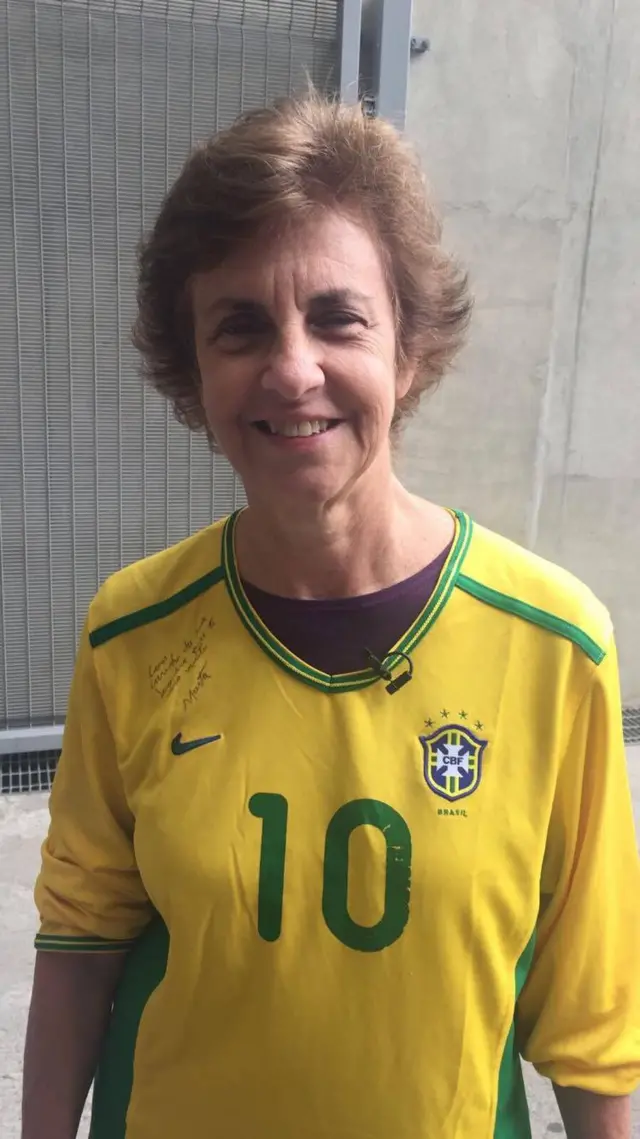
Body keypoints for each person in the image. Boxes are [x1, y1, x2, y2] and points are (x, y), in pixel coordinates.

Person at [23, 92, 639, 1139]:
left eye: (337, 316)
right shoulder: (130, 634)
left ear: (408, 347)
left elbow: (594, 1023)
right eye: (240, 326)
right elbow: (81, 938)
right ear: (195, 373)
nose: (292, 367)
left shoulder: (553, 646)